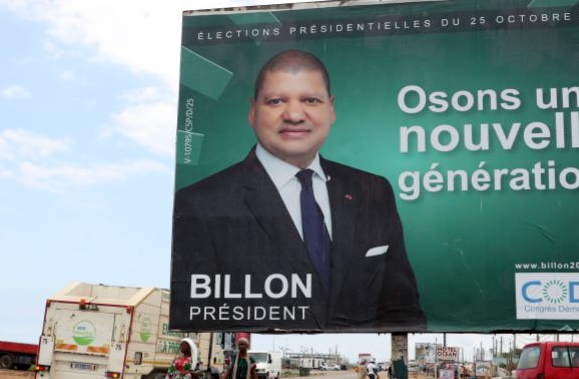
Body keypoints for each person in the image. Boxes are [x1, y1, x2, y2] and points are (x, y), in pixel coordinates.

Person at [171, 49, 426, 332]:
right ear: (253, 111)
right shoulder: (199, 203)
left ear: (330, 109)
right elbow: (195, 317)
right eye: (276, 100)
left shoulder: (372, 191)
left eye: (310, 100)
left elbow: (403, 309)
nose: (293, 115)